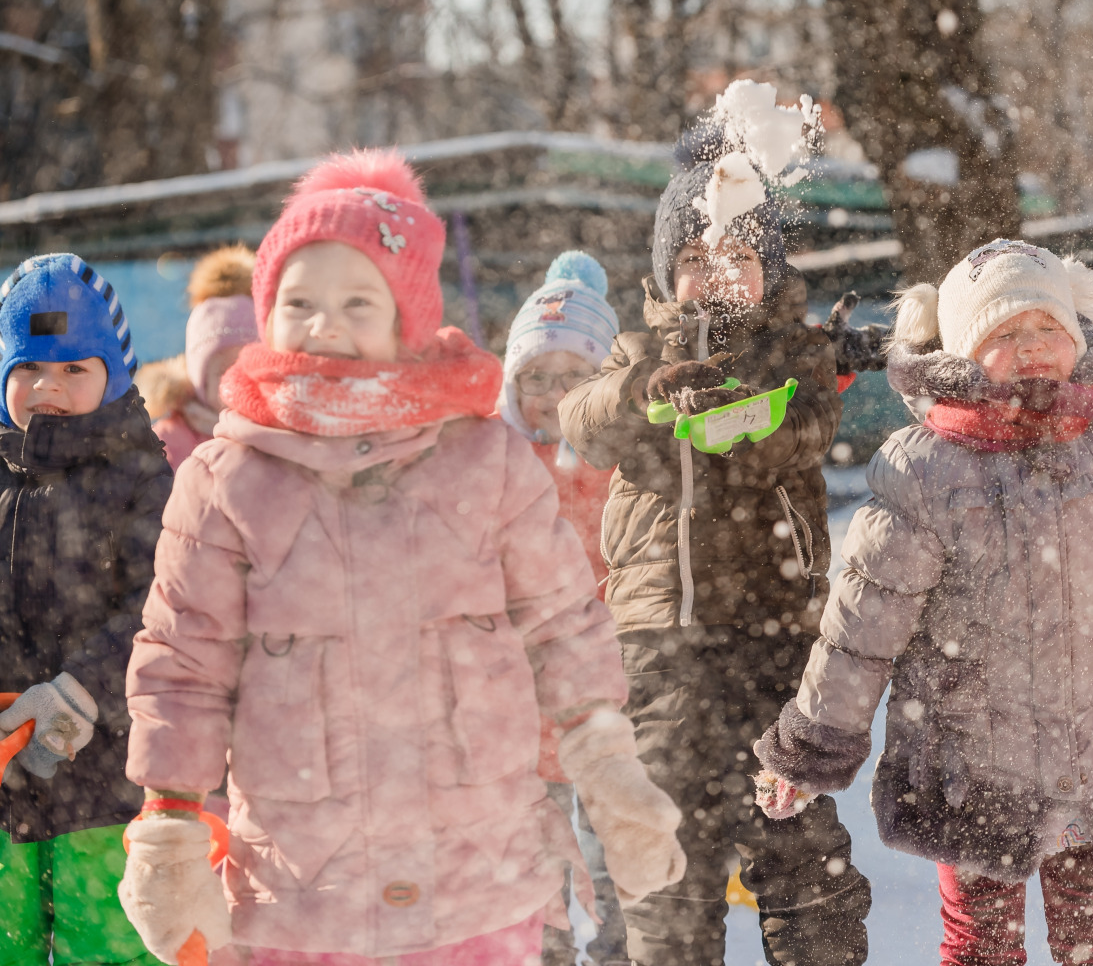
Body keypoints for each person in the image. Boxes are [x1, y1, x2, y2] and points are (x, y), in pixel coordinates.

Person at [117, 150, 685, 965]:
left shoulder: (482, 460)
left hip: (473, 880)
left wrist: (606, 763)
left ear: (406, 319)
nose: (323, 321)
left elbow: (564, 624)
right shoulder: (225, 478)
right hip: (303, 889)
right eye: (299, 300)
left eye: (357, 299)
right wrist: (169, 819)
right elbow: (183, 662)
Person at [754, 239, 1093, 966]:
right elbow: (864, 630)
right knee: (980, 944)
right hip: (973, 761)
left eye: (1046, 329)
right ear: (963, 352)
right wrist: (811, 747)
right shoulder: (928, 469)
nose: (1031, 348)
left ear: (1078, 337)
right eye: (1004, 333)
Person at [560, 136, 871, 966]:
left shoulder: (797, 351)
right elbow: (582, 420)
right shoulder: (636, 352)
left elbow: (805, 429)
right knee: (671, 857)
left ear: (769, 266)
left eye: (739, 252)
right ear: (666, 274)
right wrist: (643, 391)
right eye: (696, 256)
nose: (719, 272)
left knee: (801, 854)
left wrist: (749, 413)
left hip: (777, 643)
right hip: (663, 646)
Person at [0, 253, 173, 966]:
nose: (49, 387)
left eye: (75, 369)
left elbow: (161, 604)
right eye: (29, 368)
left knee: (101, 946)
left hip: (106, 785)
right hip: (5, 778)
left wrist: (80, 691)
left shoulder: (142, 477)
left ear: (117, 373)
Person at [499, 249, 626, 966]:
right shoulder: (494, 463)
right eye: (535, 378)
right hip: (521, 705)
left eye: (573, 377)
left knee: (615, 876)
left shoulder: (626, 463)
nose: (551, 395)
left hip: (611, 701)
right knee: (533, 878)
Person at [143, 245, 258, 470]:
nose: (237, 381)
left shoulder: (274, 438)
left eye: (247, 369)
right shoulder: (167, 442)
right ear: (200, 381)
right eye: (223, 372)